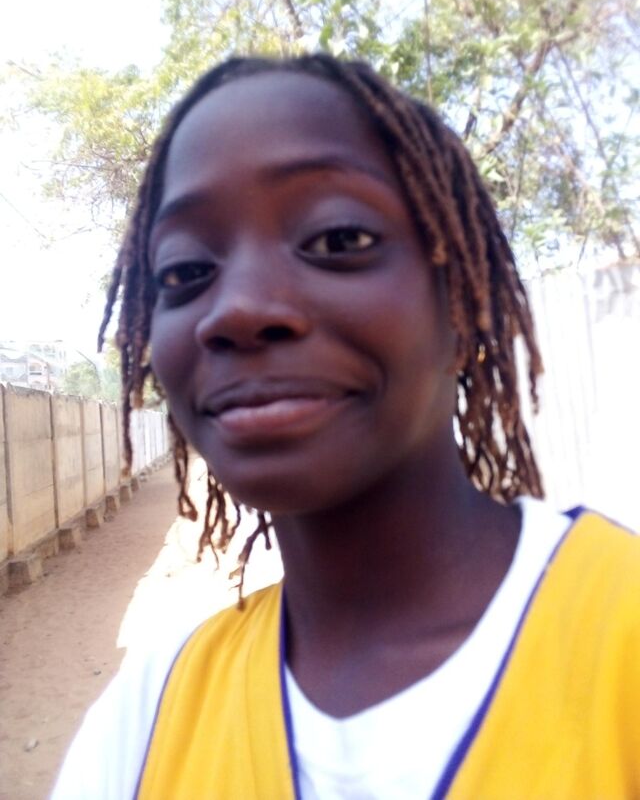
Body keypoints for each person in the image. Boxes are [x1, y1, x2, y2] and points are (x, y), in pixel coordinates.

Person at [52, 54, 640, 799]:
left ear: (463, 307)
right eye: (185, 271)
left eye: (337, 239)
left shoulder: (620, 635)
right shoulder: (146, 721)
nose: (237, 309)